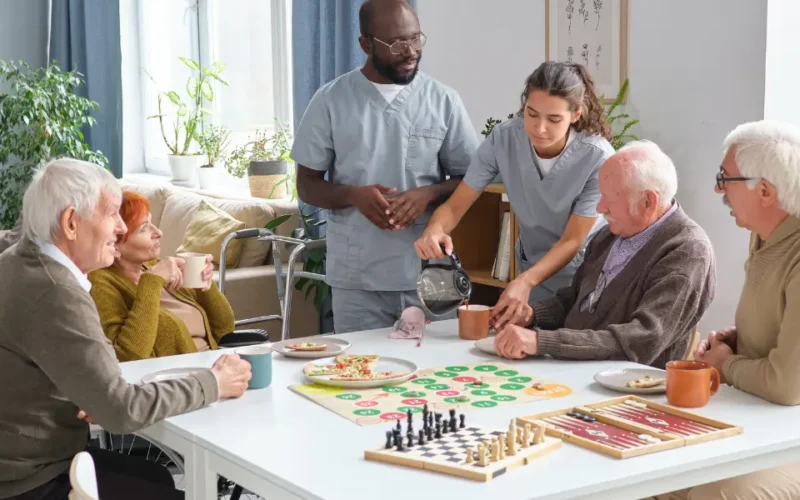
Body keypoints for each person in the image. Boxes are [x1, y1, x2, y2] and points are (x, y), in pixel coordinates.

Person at [0, 159, 252, 500]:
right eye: (111, 215)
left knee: (156, 476)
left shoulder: (17, 259)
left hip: (26, 456)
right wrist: (214, 383)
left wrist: (93, 392)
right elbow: (120, 410)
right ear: (71, 223)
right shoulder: (57, 291)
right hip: (30, 478)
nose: (120, 229)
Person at [290, 0, 479, 334]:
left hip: (430, 275)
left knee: (438, 366)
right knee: (360, 364)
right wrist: (352, 195)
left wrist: (429, 193)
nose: (410, 51)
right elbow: (306, 185)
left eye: (415, 38)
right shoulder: (331, 100)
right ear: (365, 44)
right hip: (358, 280)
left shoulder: (443, 101)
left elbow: (471, 179)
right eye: (396, 44)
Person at [657, 121, 800, 499]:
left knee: (712, 495)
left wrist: (725, 363)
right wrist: (739, 342)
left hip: (790, 438)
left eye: (725, 178)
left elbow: (788, 386)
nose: (718, 189)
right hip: (764, 422)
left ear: (765, 191)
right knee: (652, 472)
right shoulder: (765, 237)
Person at [416, 60, 615, 330]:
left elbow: (572, 240)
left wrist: (524, 281)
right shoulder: (504, 139)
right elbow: (455, 206)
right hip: (533, 271)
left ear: (576, 114)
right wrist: (435, 229)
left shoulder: (597, 157)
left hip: (584, 276)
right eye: (531, 114)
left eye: (554, 119)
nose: (539, 128)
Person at [492, 141, 716, 369]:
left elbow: (640, 341)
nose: (599, 208)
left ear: (648, 202)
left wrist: (542, 342)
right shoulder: (609, 235)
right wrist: (531, 315)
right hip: (572, 371)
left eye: (610, 198)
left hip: (629, 385)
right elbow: (574, 300)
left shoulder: (688, 252)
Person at [89, 190, 238, 361]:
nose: (158, 232)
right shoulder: (100, 283)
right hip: (182, 374)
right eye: (143, 229)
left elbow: (225, 329)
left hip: (214, 363)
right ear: (113, 243)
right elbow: (127, 355)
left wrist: (204, 285)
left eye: (151, 223)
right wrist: (151, 282)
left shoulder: (154, 266)